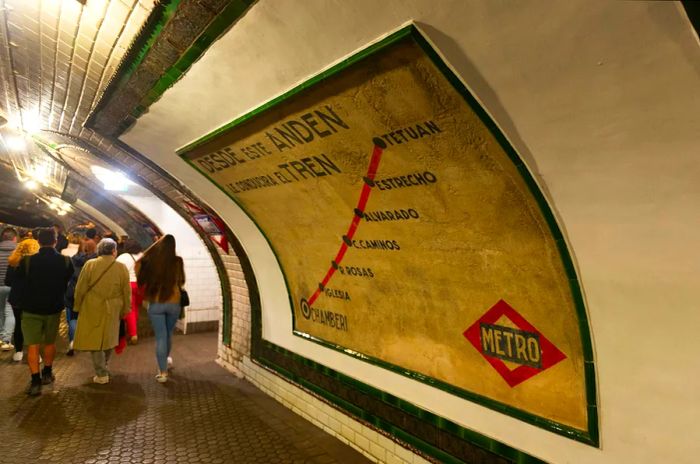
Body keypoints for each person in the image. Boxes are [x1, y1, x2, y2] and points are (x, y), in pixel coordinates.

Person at [14, 228, 73, 396]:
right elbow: (67, 280)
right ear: (55, 241)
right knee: (49, 342)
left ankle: (35, 381)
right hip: (53, 308)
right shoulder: (65, 261)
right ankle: (47, 372)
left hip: (31, 308)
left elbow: (17, 281)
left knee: (32, 345)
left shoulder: (27, 262)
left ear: (38, 242)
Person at [73, 239, 130, 384]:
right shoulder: (121, 267)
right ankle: (104, 366)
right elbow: (126, 291)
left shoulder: (90, 265)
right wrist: (125, 309)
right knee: (109, 338)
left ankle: (101, 373)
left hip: (92, 305)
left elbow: (80, 288)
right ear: (114, 251)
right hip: (114, 306)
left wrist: (77, 306)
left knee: (95, 340)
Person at [135, 235, 185, 383]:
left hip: (156, 302)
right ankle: (165, 360)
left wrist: (151, 249)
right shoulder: (178, 261)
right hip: (174, 302)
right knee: (168, 334)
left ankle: (162, 372)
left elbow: (138, 264)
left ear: (159, 246)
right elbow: (182, 281)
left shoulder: (152, 261)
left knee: (161, 337)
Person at [4, 233, 40, 361]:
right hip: (33, 298)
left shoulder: (14, 262)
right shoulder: (37, 263)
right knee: (35, 325)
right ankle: (36, 353)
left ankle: (18, 351)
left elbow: (7, 281)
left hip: (17, 298)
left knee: (19, 324)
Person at [64, 239, 97, 356]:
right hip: (89, 293)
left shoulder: (72, 260)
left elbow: (66, 276)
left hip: (73, 292)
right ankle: (89, 342)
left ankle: (73, 341)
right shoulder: (95, 261)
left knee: (73, 318)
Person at [116, 239, 143, 344]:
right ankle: (133, 328)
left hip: (129, 285)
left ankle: (133, 334)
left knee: (129, 309)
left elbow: (117, 271)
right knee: (135, 307)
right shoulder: (142, 255)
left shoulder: (123, 257)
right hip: (140, 285)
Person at [0, 227, 18, 351]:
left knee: (0, 311)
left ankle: (1, 337)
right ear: (14, 238)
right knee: (9, 311)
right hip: (12, 286)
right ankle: (6, 339)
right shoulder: (18, 252)